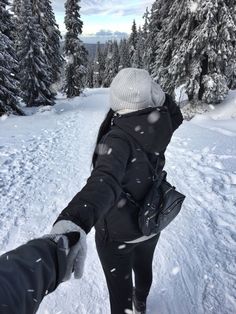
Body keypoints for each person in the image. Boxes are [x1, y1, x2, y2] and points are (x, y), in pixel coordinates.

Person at [50, 68, 183, 314]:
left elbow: (104, 181)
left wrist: (75, 220)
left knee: (119, 296)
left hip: (117, 235)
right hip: (150, 223)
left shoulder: (118, 139)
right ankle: (140, 304)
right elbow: (175, 113)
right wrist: (159, 95)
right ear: (149, 98)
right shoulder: (163, 122)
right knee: (144, 270)